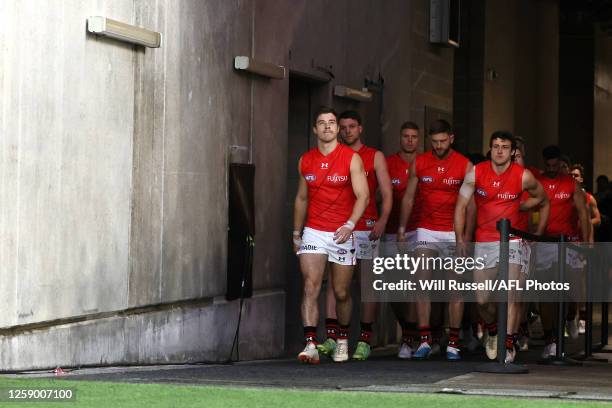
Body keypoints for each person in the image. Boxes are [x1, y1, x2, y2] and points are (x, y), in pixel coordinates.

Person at [454, 131, 549, 363]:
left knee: (511, 295)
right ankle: (494, 330)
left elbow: (543, 199)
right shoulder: (475, 172)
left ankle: (508, 343)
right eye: (495, 146)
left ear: (512, 151)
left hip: (513, 241)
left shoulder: (523, 176)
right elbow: (461, 205)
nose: (499, 151)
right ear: (490, 149)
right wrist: (460, 238)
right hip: (484, 241)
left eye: (504, 147)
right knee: (482, 300)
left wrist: (523, 208)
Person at [293, 106, 369, 364]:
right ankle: (311, 343)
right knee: (310, 286)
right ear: (315, 129)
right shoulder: (305, 159)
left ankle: (343, 339)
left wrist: (350, 224)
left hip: (341, 232)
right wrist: (296, 233)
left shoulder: (351, 158)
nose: (327, 126)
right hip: (313, 231)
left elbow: (363, 196)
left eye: (331, 122)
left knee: (341, 292)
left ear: (338, 129)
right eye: (321, 122)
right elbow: (302, 198)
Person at [318, 111, 392, 361]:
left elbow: (387, 193)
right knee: (335, 282)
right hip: (339, 228)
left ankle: (365, 340)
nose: (348, 131)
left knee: (368, 283)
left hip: (367, 227)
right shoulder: (331, 155)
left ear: (360, 129)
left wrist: (382, 220)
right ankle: (331, 336)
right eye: (343, 127)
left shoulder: (375, 156)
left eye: (352, 127)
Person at [397, 119, 474, 360]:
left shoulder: (465, 165)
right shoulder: (420, 162)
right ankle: (424, 340)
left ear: (451, 138)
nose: (439, 145)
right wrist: (401, 227)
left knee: (455, 287)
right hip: (425, 230)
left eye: (443, 141)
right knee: (421, 282)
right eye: (434, 142)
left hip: (453, 231)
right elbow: (409, 198)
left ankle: (453, 342)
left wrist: (466, 237)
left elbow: (471, 206)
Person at [534, 145, 590, 358]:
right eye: (548, 165)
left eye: (555, 165)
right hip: (544, 243)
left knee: (567, 291)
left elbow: (583, 215)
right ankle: (551, 338)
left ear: (560, 164)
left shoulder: (571, 184)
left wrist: (585, 244)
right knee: (546, 293)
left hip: (568, 244)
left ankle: (570, 316)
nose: (551, 169)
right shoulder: (537, 182)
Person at [384, 121, 421, 359]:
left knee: (416, 285)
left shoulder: (426, 163)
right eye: (405, 136)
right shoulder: (388, 164)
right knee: (394, 287)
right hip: (390, 231)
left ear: (419, 140)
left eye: (414, 137)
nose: (409, 140)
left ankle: (411, 338)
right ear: (400, 138)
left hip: (420, 230)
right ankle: (410, 330)